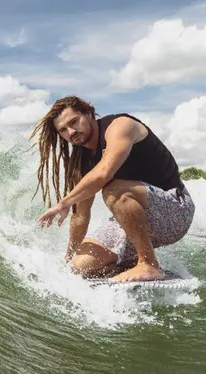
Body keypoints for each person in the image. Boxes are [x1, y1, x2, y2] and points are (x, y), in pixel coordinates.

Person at [30, 95, 195, 281]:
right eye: (63, 130)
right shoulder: (81, 162)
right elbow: (80, 216)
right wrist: (68, 258)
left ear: (89, 113)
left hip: (175, 212)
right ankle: (130, 267)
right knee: (80, 267)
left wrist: (64, 202)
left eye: (74, 122)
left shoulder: (120, 126)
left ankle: (148, 264)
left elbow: (104, 172)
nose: (71, 131)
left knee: (113, 190)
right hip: (132, 222)